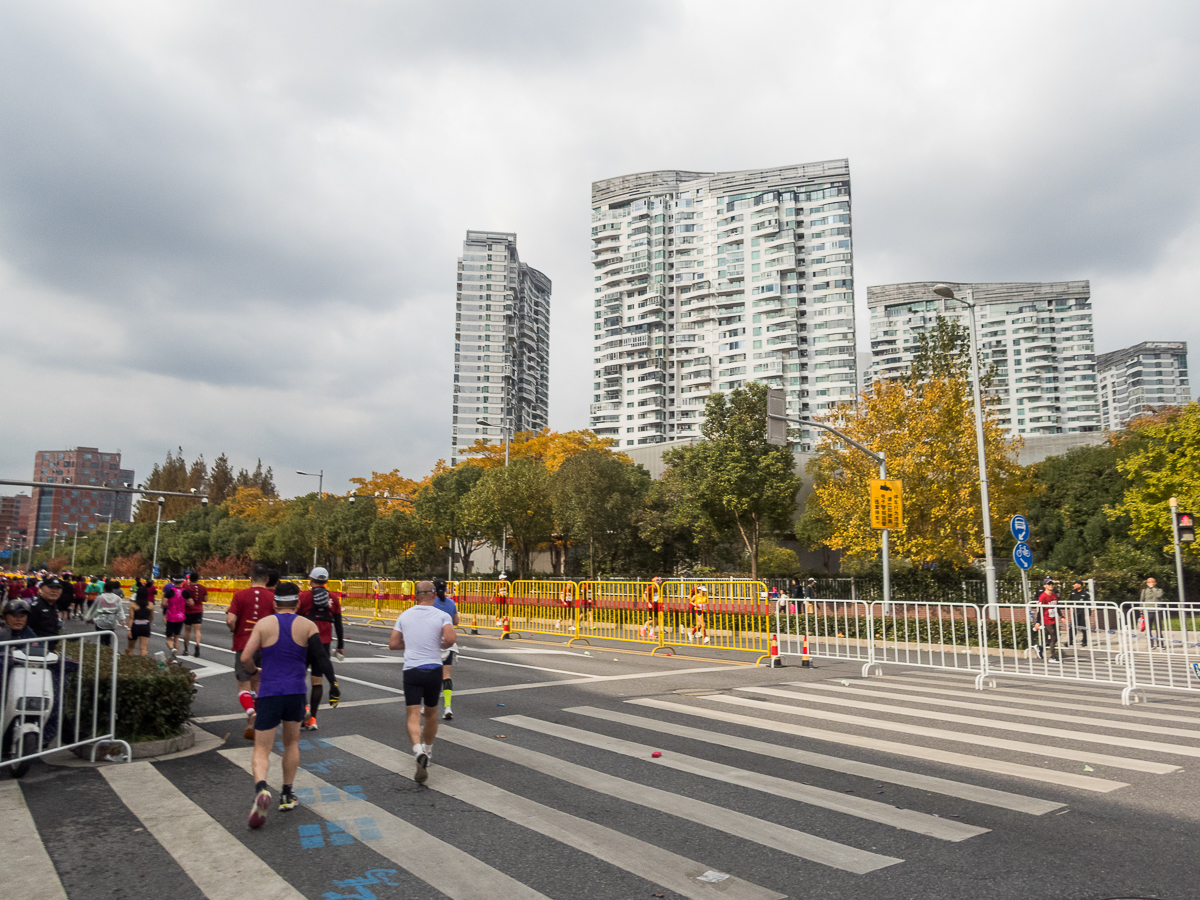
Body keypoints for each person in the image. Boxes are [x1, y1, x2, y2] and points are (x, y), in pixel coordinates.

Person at [239, 581, 341, 828]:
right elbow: (321, 658)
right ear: (297, 604)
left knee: (261, 749)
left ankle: (262, 788)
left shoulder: (264, 624)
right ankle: (287, 793)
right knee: (291, 743)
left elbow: (245, 657)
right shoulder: (307, 625)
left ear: (275, 603)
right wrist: (334, 685)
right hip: (295, 692)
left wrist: (255, 672)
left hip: (270, 692)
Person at [389, 580, 456, 783]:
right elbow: (451, 639)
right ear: (434, 595)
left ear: (415, 595)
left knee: (413, 715)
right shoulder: (442, 615)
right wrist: (439, 643)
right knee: (432, 713)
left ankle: (417, 750)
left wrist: (409, 644)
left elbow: (393, 644)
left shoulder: (405, 615)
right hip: (434, 669)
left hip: (412, 670)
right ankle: (428, 751)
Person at [227, 563, 278, 740]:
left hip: (244, 644)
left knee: (244, 684)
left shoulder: (240, 595)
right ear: (267, 579)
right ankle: (258, 720)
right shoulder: (272, 597)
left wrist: (234, 629)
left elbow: (230, 619)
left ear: (250, 578)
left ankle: (250, 713)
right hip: (266, 645)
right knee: (260, 684)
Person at [295, 566, 344, 731]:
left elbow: (296, 618)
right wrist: (341, 645)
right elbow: (338, 622)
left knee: (299, 678)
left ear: (311, 579)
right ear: (326, 581)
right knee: (317, 681)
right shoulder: (333, 598)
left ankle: (305, 709)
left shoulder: (304, 596)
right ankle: (313, 718)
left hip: (304, 642)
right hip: (324, 643)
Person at [432, 578, 459, 720]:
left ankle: (427, 705)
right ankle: (447, 707)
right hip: (448, 642)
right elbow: (456, 621)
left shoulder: (431, 604)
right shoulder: (451, 603)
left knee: (430, 675)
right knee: (446, 676)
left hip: (432, 642)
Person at [85, 580, 126, 647]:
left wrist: (88, 618)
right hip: (112, 620)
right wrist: (122, 619)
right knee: (108, 638)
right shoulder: (117, 598)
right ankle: (108, 650)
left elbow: (93, 608)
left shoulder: (100, 598)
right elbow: (120, 609)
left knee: (101, 638)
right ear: (112, 589)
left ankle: (101, 652)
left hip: (101, 619)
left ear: (104, 589)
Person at [1035, 577, 1062, 662]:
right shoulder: (1043, 596)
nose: (1051, 585)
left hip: (1053, 619)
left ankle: (1040, 647)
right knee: (1053, 636)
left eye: (1052, 584)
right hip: (1046, 619)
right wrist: (1038, 622)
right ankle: (1053, 656)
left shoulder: (1054, 595)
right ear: (1045, 586)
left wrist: (1062, 616)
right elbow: (1040, 610)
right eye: (1049, 584)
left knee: (1056, 637)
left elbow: (1057, 607)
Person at [182, 572, 208, 658]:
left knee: (187, 630)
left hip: (188, 611)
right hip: (199, 610)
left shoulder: (186, 588)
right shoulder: (203, 588)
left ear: (190, 579)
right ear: (198, 579)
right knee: (197, 630)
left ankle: (186, 649)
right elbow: (206, 599)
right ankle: (197, 644)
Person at [161, 577, 186, 657]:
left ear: (174, 581)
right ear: (182, 582)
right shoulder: (185, 592)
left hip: (171, 616)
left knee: (168, 638)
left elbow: (164, 603)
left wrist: (170, 605)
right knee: (176, 637)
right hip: (181, 617)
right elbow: (191, 603)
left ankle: (172, 649)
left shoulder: (169, 591)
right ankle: (175, 657)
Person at [1140, 576, 1165, 650]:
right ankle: (1150, 644)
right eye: (1149, 582)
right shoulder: (1144, 591)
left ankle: (1160, 644)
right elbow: (1142, 601)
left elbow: (1158, 596)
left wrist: (1153, 588)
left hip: (1157, 611)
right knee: (1148, 629)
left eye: (1152, 582)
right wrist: (1141, 611)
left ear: (1155, 583)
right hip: (1147, 611)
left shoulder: (1158, 590)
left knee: (1158, 628)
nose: (1150, 583)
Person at [126, 589, 153, 656]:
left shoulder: (133, 605)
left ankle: (130, 662)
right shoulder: (150, 605)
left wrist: (129, 629)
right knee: (143, 648)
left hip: (135, 626)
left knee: (131, 648)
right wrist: (148, 623)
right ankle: (143, 664)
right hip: (145, 626)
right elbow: (151, 617)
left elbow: (131, 618)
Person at [1066, 579, 1090, 647]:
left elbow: (1088, 604)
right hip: (1076, 612)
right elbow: (1069, 601)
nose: (1074, 585)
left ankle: (1084, 641)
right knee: (1073, 627)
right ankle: (1070, 641)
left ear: (1079, 585)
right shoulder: (1073, 593)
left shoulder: (1085, 594)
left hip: (1083, 612)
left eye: (1075, 584)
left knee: (1083, 627)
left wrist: (1089, 613)